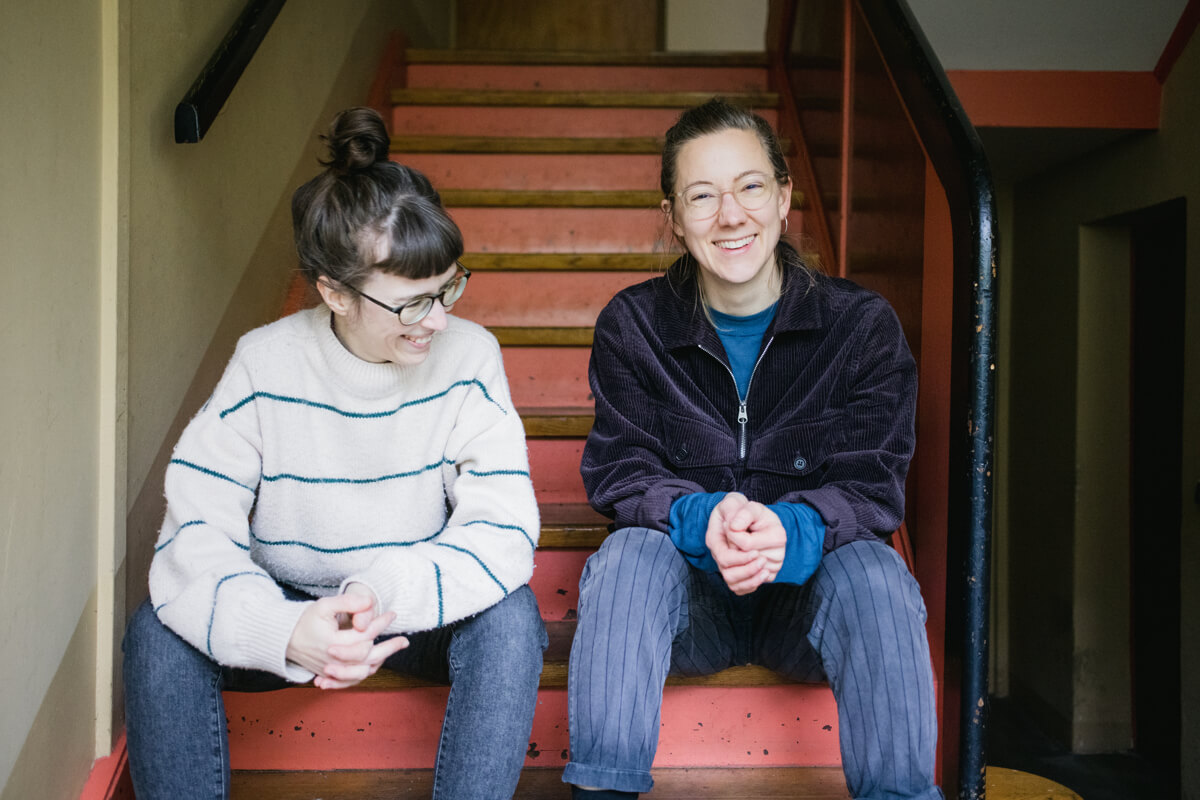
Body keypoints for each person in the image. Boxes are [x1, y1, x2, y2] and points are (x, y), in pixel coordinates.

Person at [123, 107, 547, 800]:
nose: (439, 319)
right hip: (287, 603)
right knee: (155, 635)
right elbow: (194, 535)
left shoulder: (471, 357)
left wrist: (377, 593)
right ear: (333, 293)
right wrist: (287, 627)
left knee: (512, 621)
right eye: (412, 303)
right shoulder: (265, 363)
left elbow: (499, 530)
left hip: (407, 605)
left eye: (448, 288)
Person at [563, 98, 940, 800]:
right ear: (674, 218)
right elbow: (623, 469)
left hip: (807, 602)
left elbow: (873, 487)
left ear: (785, 197)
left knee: (876, 573)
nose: (730, 214)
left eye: (750, 186)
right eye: (702, 196)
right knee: (627, 555)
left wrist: (789, 530)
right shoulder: (634, 326)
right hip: (688, 606)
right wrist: (704, 519)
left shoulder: (859, 327)